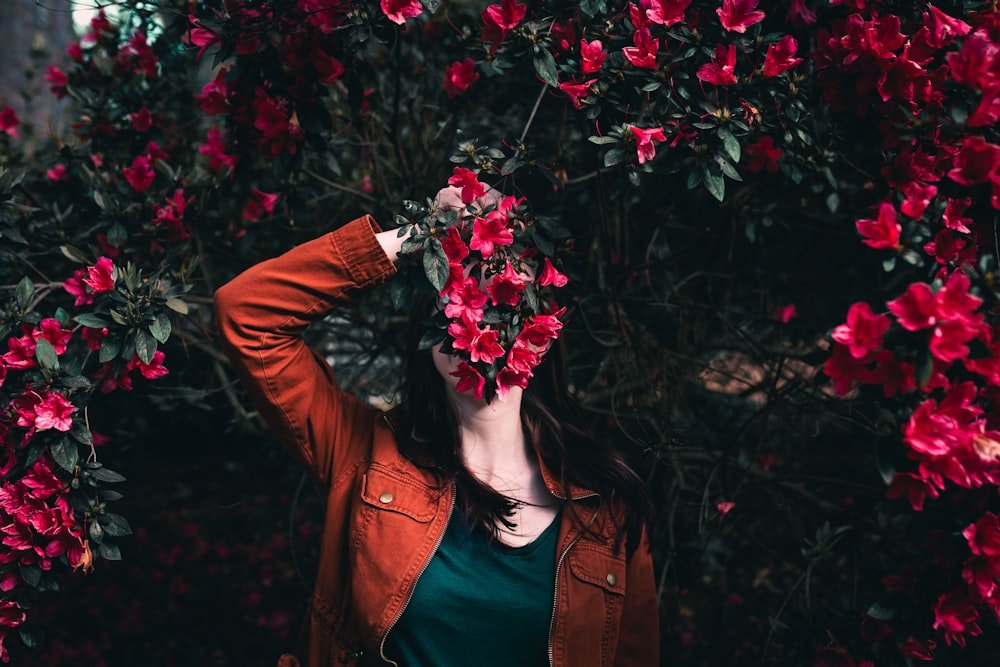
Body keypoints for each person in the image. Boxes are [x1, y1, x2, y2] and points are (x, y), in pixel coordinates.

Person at [214, 188, 660, 667]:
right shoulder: (362, 455)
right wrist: (420, 235)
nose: (483, 319)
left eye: (507, 299)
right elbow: (247, 313)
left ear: (543, 334)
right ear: (427, 336)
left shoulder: (608, 507)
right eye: (461, 295)